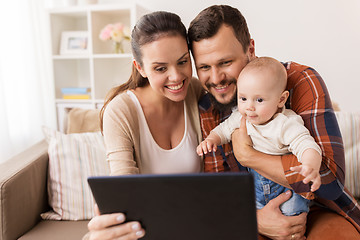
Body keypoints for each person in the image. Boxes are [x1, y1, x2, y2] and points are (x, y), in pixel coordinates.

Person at [188, 4, 360, 240]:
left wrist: (249, 155)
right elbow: (219, 192)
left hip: (317, 207)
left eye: (225, 62)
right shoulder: (207, 108)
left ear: (250, 49)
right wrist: (256, 220)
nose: (216, 78)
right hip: (249, 213)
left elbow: (329, 183)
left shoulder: (300, 81)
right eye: (205, 67)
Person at [85, 11, 204, 240]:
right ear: (140, 68)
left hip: (194, 226)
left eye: (182, 62)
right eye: (160, 68)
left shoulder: (196, 92)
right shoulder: (121, 111)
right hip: (147, 231)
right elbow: (124, 190)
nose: (176, 77)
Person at [197, 56, 322, 216]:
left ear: (281, 99)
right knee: (252, 216)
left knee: (291, 212)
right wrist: (210, 140)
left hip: (285, 189)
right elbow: (223, 130)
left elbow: (307, 145)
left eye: (259, 100)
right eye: (243, 98)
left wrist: (310, 165)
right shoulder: (241, 117)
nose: (249, 107)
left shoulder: (285, 123)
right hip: (256, 186)